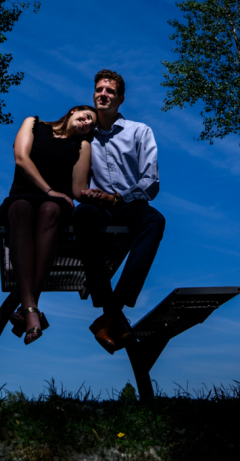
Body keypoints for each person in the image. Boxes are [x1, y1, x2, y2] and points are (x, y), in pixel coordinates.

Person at [73, 69, 165, 354]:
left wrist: (117, 198)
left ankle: (112, 311)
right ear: (93, 95)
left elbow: (151, 182)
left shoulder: (140, 131)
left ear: (120, 99)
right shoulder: (83, 135)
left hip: (129, 206)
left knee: (155, 219)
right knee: (82, 215)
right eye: (99, 90)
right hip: (97, 208)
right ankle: (113, 314)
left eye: (109, 91)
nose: (103, 94)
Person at [0, 105, 96, 344]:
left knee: (50, 209)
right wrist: (50, 190)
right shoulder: (34, 123)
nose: (87, 123)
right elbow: (21, 158)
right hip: (22, 198)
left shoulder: (82, 146)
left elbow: (77, 189)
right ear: (73, 111)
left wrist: (100, 195)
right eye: (86, 116)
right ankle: (32, 310)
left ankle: (28, 310)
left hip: (54, 206)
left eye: (91, 124)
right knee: (21, 207)